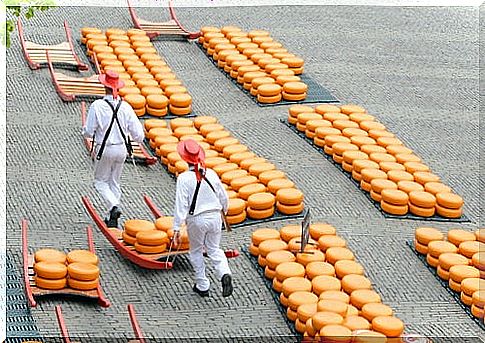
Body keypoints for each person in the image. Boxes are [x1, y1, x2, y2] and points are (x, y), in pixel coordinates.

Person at [82, 70, 144, 228]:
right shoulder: (126, 107)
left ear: (104, 86)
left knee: (100, 182)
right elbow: (139, 135)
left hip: (105, 148)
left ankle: (113, 206)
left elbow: (89, 131)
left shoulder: (97, 106)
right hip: (122, 149)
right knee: (114, 181)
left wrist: (86, 131)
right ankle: (111, 218)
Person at [172, 139, 233, 298]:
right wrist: (223, 212)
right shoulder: (211, 173)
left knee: (196, 250)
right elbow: (223, 197)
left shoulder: (184, 179)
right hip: (215, 216)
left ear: (184, 159)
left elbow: (181, 205)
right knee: (214, 249)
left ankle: (202, 284)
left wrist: (176, 228)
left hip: (197, 220)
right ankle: (224, 273)